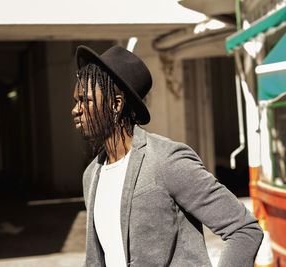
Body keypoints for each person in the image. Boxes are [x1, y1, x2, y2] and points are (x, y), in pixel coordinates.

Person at [71, 45, 263, 267]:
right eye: (76, 102)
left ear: (116, 104)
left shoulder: (166, 161)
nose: (76, 110)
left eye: (85, 101)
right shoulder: (91, 175)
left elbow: (244, 229)